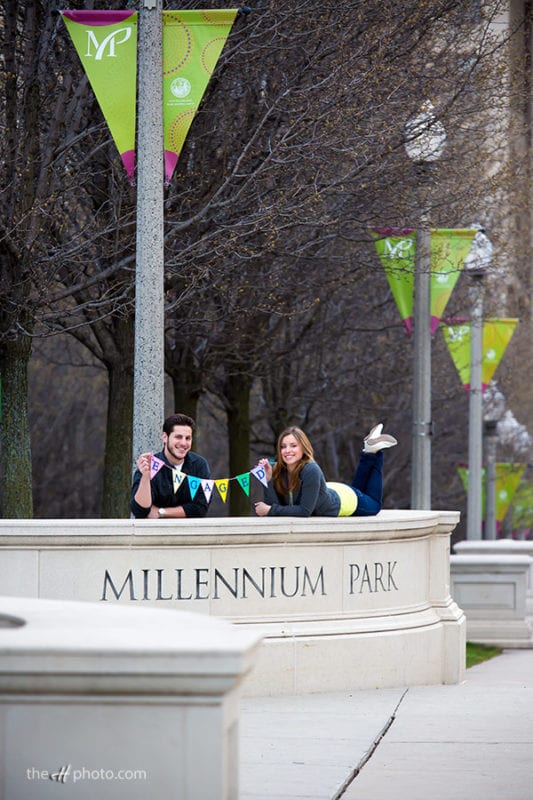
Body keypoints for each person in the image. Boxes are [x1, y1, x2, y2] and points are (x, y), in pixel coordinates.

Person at [254, 423, 397, 517]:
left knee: (375, 504)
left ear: (303, 448)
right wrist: (268, 479)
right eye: (283, 446)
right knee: (359, 489)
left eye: (293, 445)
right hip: (332, 490)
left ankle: (375, 452)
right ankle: (369, 448)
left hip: (346, 500)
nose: (287, 450)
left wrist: (270, 510)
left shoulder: (310, 469)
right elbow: (273, 504)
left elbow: (304, 511)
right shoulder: (280, 470)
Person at [130, 413, 210, 519]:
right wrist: (146, 476)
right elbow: (140, 511)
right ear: (165, 437)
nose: (183, 443)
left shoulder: (199, 465)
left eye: (188, 438)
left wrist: (160, 512)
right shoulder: (149, 464)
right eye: (178, 437)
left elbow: (200, 508)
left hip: (188, 533)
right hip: (153, 533)